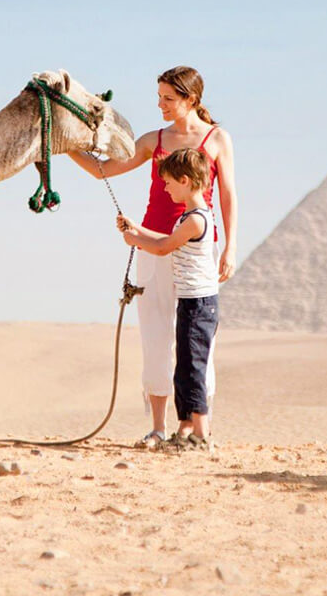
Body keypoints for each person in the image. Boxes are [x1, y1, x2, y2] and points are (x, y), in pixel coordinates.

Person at [71, 65, 238, 448]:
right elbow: (104, 170)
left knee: (196, 341)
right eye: (159, 96)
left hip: (195, 246)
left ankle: (195, 427)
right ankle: (159, 427)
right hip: (151, 243)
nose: (160, 104)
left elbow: (228, 194)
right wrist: (65, 148)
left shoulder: (217, 139)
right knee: (156, 334)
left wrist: (231, 246)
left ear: (190, 99)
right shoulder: (154, 140)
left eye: (168, 98)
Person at [115, 148, 221, 450]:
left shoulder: (196, 220)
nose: (165, 188)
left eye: (169, 183)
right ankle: (187, 429)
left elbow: (163, 247)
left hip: (199, 305)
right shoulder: (191, 217)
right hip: (190, 303)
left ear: (185, 181)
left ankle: (201, 434)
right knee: (185, 366)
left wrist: (136, 240)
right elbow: (163, 240)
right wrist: (136, 228)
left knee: (193, 368)